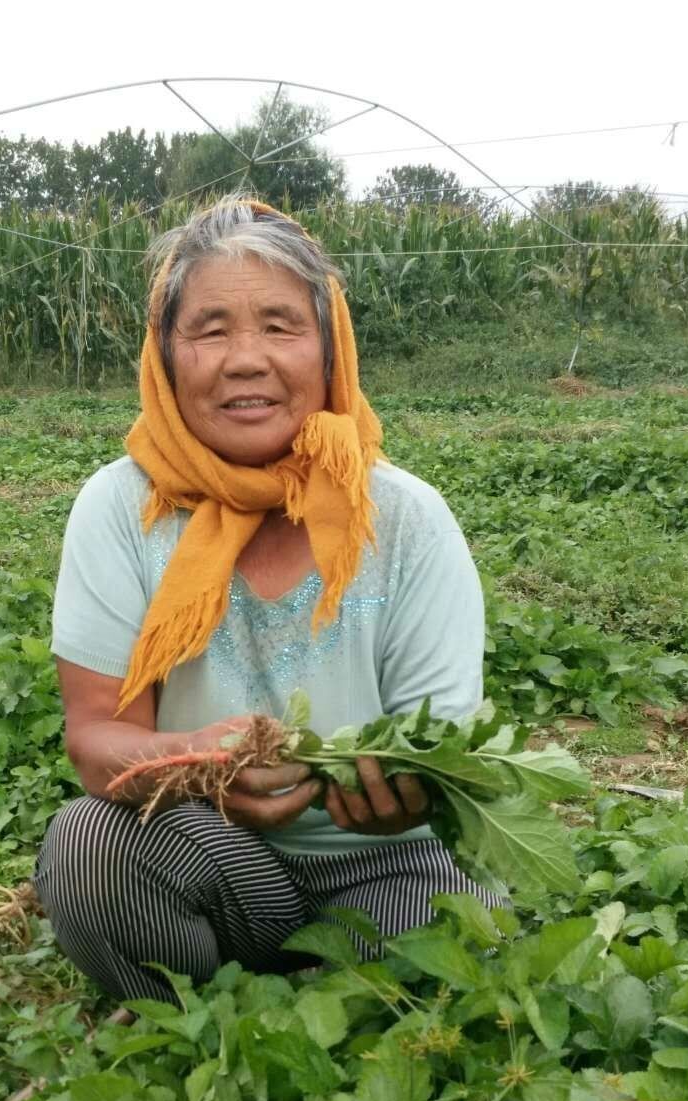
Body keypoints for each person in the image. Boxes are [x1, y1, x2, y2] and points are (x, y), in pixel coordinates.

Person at [33, 197, 501, 1002]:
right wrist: (193, 766)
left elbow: (443, 745)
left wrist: (405, 788)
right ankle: (206, 1023)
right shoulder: (123, 508)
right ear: (166, 356)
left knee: (456, 926)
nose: (246, 359)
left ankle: (302, 1011)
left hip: (388, 866)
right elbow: (96, 738)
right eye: (210, 329)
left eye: (281, 326)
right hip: (210, 847)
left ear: (329, 353)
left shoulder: (405, 519)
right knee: (87, 852)